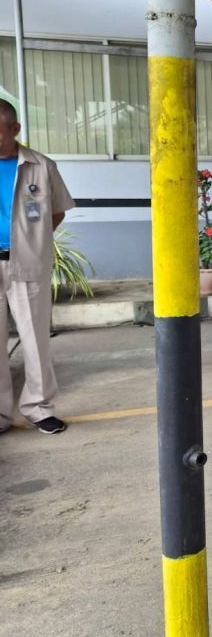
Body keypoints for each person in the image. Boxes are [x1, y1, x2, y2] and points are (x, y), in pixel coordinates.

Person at [0, 99, 76, 435]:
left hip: (27, 263)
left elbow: (57, 211)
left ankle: (39, 407)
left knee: (34, 338)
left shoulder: (41, 166)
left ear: (15, 129)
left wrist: (33, 242)